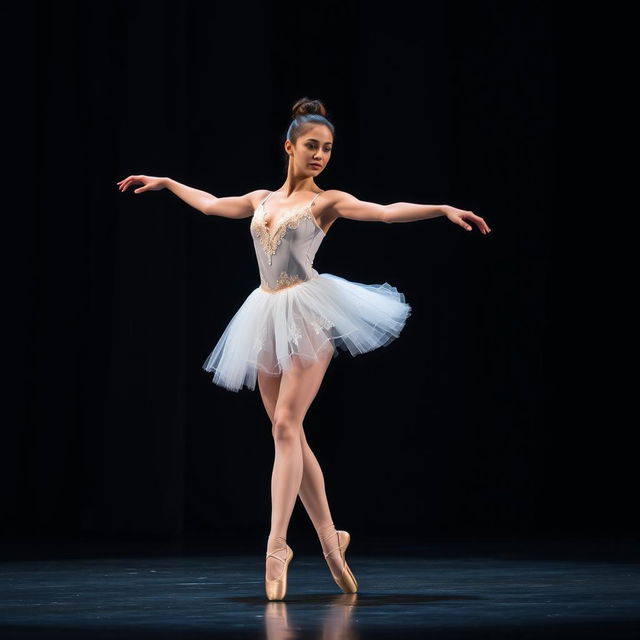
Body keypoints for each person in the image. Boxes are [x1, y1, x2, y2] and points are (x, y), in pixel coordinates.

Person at [116, 96, 491, 601]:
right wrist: (165, 182)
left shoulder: (326, 201)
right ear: (288, 146)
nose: (320, 155)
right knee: (286, 432)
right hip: (265, 313)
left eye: (328, 149)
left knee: (287, 425)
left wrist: (440, 209)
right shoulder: (261, 200)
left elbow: (382, 213)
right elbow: (209, 203)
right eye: (311, 146)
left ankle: (276, 545)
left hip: (309, 312)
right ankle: (331, 541)